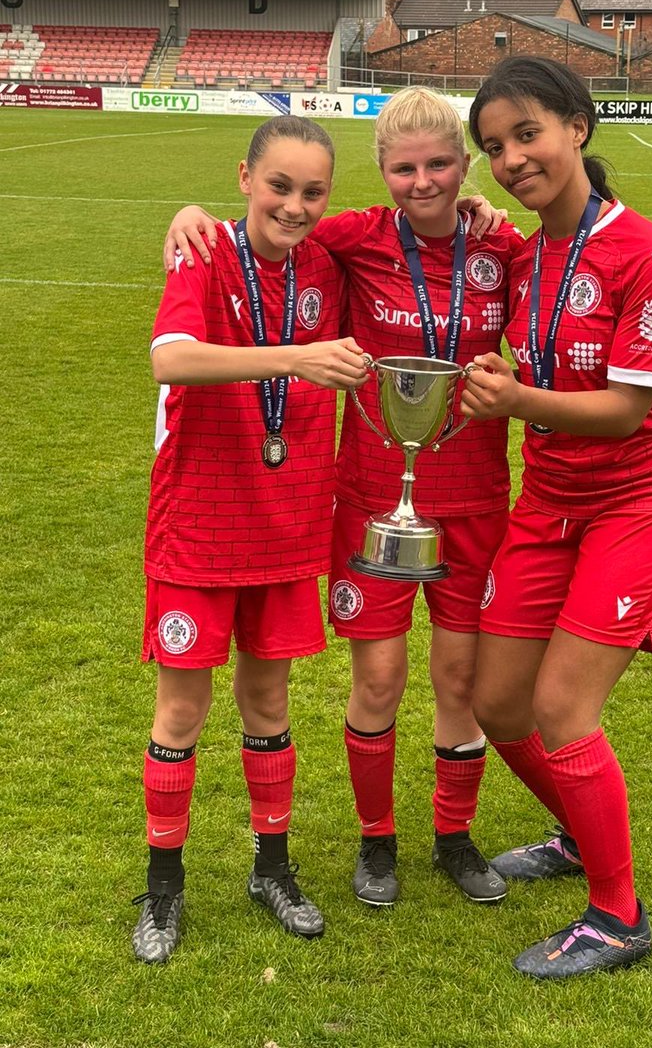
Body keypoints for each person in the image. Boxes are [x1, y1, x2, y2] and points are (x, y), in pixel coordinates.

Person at [163, 89, 523, 908]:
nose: (423, 182)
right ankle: (376, 842)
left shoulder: (500, 248)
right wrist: (190, 214)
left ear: (465, 165)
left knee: (460, 679)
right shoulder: (353, 236)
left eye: (440, 165)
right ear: (382, 172)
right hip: (369, 497)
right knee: (380, 680)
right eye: (405, 168)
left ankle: (455, 837)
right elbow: (265, 230)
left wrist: (492, 221)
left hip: (474, 496)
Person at [460, 57, 652, 979]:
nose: (512, 160)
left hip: (645, 495)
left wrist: (516, 401)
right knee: (497, 702)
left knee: (563, 708)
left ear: (578, 126)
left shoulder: (648, 256)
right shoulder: (526, 253)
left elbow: (628, 410)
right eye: (495, 148)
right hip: (552, 497)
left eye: (527, 134)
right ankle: (577, 832)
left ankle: (617, 916)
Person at [134, 115, 369, 964]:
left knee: (269, 704)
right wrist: (294, 358)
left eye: (313, 192)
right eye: (278, 186)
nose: (294, 206)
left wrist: (478, 209)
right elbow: (171, 359)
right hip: (200, 525)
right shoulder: (202, 252)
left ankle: (271, 869)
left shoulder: (328, 262)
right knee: (182, 710)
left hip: (288, 525)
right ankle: (164, 888)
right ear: (244, 178)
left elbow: (411, 229)